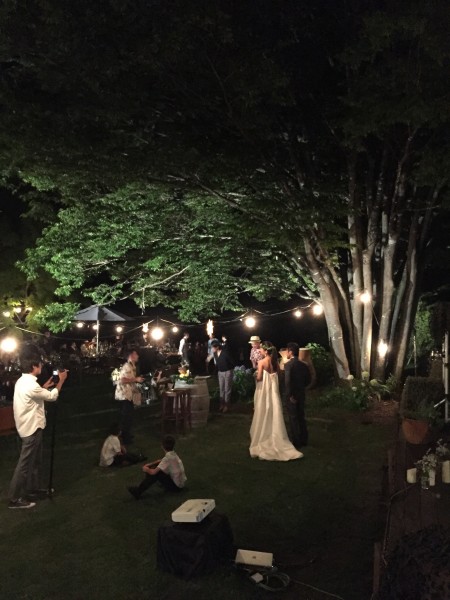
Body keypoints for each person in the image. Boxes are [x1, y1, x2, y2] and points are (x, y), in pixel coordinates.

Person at [8, 344, 68, 509]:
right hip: (31, 429)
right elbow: (52, 397)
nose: (42, 366)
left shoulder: (23, 382)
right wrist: (61, 381)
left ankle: (32, 489)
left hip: (29, 426)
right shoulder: (31, 385)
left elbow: (35, 395)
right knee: (25, 464)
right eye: (40, 364)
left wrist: (43, 388)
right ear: (34, 366)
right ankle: (14, 498)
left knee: (35, 461)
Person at [249, 341, 302, 461]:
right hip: (273, 391)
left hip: (264, 391)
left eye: (261, 349)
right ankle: (275, 433)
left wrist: (256, 375)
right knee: (273, 410)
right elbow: (279, 375)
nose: (259, 351)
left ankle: (264, 434)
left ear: (265, 351)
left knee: (263, 409)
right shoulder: (275, 362)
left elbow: (259, 378)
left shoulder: (261, 362)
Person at [127, 435, 186, 499]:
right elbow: (160, 461)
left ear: (162, 446)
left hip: (176, 488)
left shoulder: (167, 458)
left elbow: (153, 472)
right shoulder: (173, 454)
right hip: (180, 484)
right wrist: (149, 465)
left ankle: (138, 491)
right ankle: (141, 488)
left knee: (155, 473)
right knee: (155, 467)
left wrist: (146, 469)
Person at [284, 342, 311, 449]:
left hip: (292, 396)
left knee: (293, 418)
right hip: (301, 394)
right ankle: (304, 439)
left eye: (287, 351)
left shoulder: (288, 365)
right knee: (301, 416)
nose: (286, 353)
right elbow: (308, 380)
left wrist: (290, 395)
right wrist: (302, 388)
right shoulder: (304, 365)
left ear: (290, 352)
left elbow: (288, 382)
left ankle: (296, 441)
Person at [115, 348, 144, 444]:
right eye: (136, 354)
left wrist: (137, 380)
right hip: (124, 395)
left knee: (129, 416)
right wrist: (135, 379)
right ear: (131, 356)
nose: (138, 356)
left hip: (128, 395)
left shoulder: (132, 366)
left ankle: (126, 435)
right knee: (126, 417)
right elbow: (122, 380)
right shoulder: (127, 366)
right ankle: (125, 438)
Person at [211, 340, 235, 413]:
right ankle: (221, 404)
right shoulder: (215, 353)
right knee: (221, 389)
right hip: (220, 372)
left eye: (213, 347)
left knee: (227, 389)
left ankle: (227, 406)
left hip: (227, 371)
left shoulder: (225, 353)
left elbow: (232, 361)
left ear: (217, 347)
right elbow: (217, 363)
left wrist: (230, 369)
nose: (212, 349)